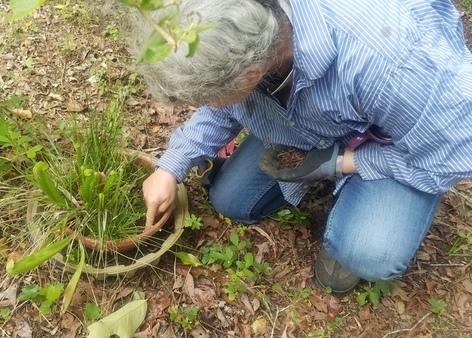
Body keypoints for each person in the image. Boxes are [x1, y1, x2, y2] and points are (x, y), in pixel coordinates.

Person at [137, 0, 472, 296]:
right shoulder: (244, 38)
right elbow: (221, 106)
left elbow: (448, 156)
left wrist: (338, 162)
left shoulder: (388, 60)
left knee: (367, 251)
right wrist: (171, 167)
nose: (206, 104)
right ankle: (306, 132)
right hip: (312, 116)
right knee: (231, 201)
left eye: (209, 96)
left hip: (400, 138)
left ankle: (357, 216)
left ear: (252, 74)